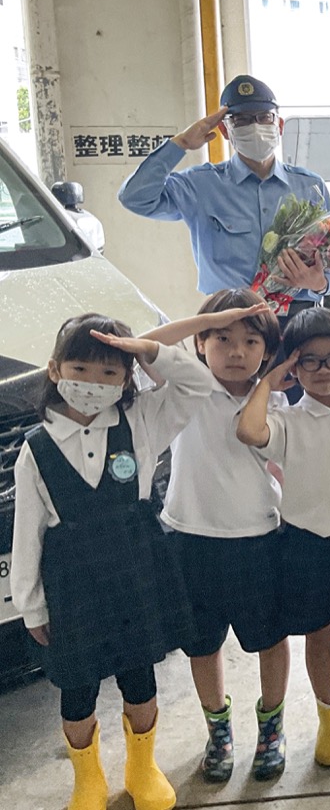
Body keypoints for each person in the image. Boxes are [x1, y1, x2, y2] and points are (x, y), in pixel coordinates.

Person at [11, 312, 215, 810]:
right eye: (80, 368)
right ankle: (88, 780)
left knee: (138, 676)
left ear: (126, 379)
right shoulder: (36, 448)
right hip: (72, 583)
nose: (93, 383)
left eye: (109, 372)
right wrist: (32, 607)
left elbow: (197, 382)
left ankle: (141, 768)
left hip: (135, 570)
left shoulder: (141, 420)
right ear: (55, 370)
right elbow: (27, 535)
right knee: (76, 687)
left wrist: (147, 350)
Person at [148, 289, 291, 783]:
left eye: (251, 340)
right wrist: (207, 316)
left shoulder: (277, 397)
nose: (236, 351)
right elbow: (139, 347)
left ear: (267, 351)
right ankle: (219, 732)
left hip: (260, 537)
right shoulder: (185, 386)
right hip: (192, 539)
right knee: (201, 645)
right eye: (222, 338)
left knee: (271, 639)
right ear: (200, 343)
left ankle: (272, 728)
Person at [236, 308, 330, 767]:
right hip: (305, 547)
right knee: (318, 639)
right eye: (309, 361)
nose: (322, 370)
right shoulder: (287, 421)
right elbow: (248, 430)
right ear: (293, 369)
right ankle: (328, 717)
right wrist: (268, 381)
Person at [118, 74, 330, 319]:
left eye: (264, 117)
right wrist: (179, 144)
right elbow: (134, 197)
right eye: (241, 120)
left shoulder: (310, 186)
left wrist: (320, 283)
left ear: (280, 125)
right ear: (225, 130)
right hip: (228, 323)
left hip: (298, 319)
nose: (254, 126)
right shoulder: (201, 185)